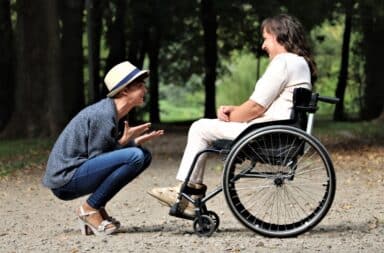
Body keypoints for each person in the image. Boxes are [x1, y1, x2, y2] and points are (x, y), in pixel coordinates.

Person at [148, 14, 317, 216]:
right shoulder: (300, 63)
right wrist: (235, 110)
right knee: (204, 127)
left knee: (200, 127)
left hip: (267, 132)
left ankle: (186, 192)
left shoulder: (283, 62)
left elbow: (256, 108)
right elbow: (265, 105)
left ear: (278, 35)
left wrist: (230, 116)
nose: (263, 46)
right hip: (279, 130)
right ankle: (189, 191)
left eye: (265, 38)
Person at [43, 61, 164, 235]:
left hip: (76, 173)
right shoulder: (103, 115)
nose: (145, 90)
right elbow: (98, 158)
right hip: (65, 179)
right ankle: (89, 209)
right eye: (139, 86)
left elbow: (102, 156)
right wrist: (126, 143)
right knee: (136, 156)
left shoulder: (112, 113)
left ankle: (96, 207)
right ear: (124, 91)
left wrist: (130, 142)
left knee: (143, 155)